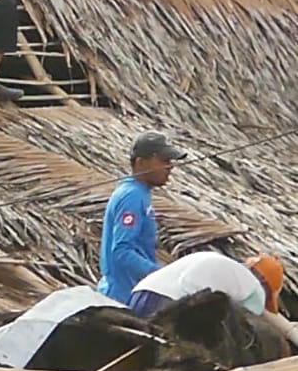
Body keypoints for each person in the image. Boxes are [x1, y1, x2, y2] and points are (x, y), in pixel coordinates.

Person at [96, 131, 187, 305]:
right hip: (122, 298)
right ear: (141, 163)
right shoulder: (132, 197)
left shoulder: (140, 194)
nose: (170, 166)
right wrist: (159, 274)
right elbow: (121, 252)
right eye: (164, 161)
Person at [128, 251, 284, 319]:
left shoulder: (218, 262)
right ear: (266, 285)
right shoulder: (255, 289)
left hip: (140, 294)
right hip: (171, 307)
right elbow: (247, 327)